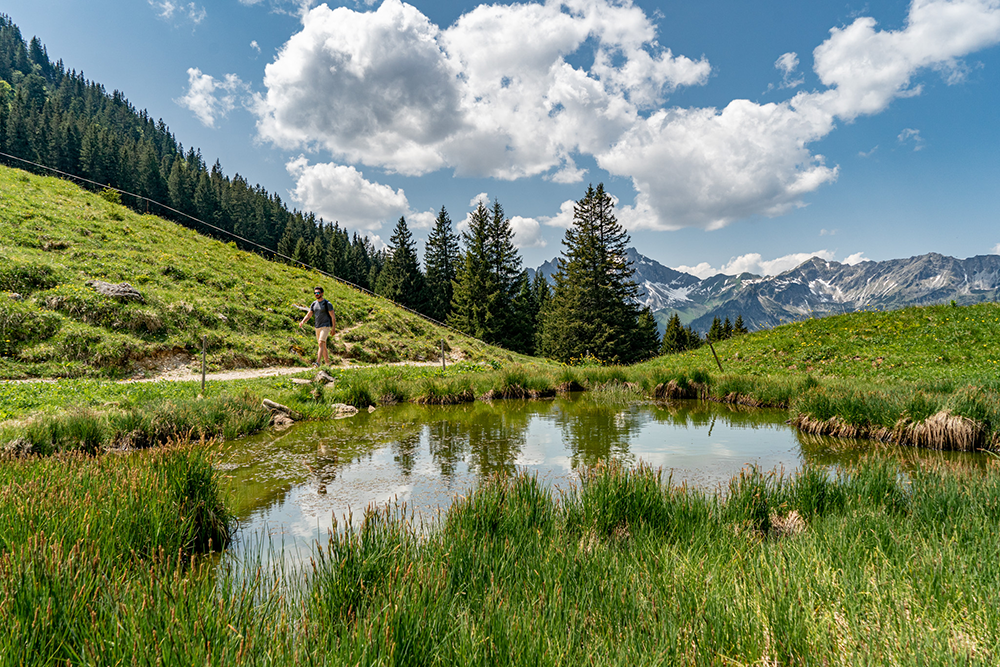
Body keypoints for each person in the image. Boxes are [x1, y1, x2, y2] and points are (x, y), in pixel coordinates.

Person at [299, 286, 336, 366]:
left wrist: (333, 328)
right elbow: (309, 315)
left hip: (325, 326)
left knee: (320, 343)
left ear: (322, 293)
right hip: (317, 327)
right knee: (323, 346)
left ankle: (318, 362)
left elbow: (333, 317)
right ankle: (327, 364)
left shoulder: (327, 304)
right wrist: (302, 321)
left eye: (318, 293)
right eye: (315, 293)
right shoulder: (314, 304)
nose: (316, 294)